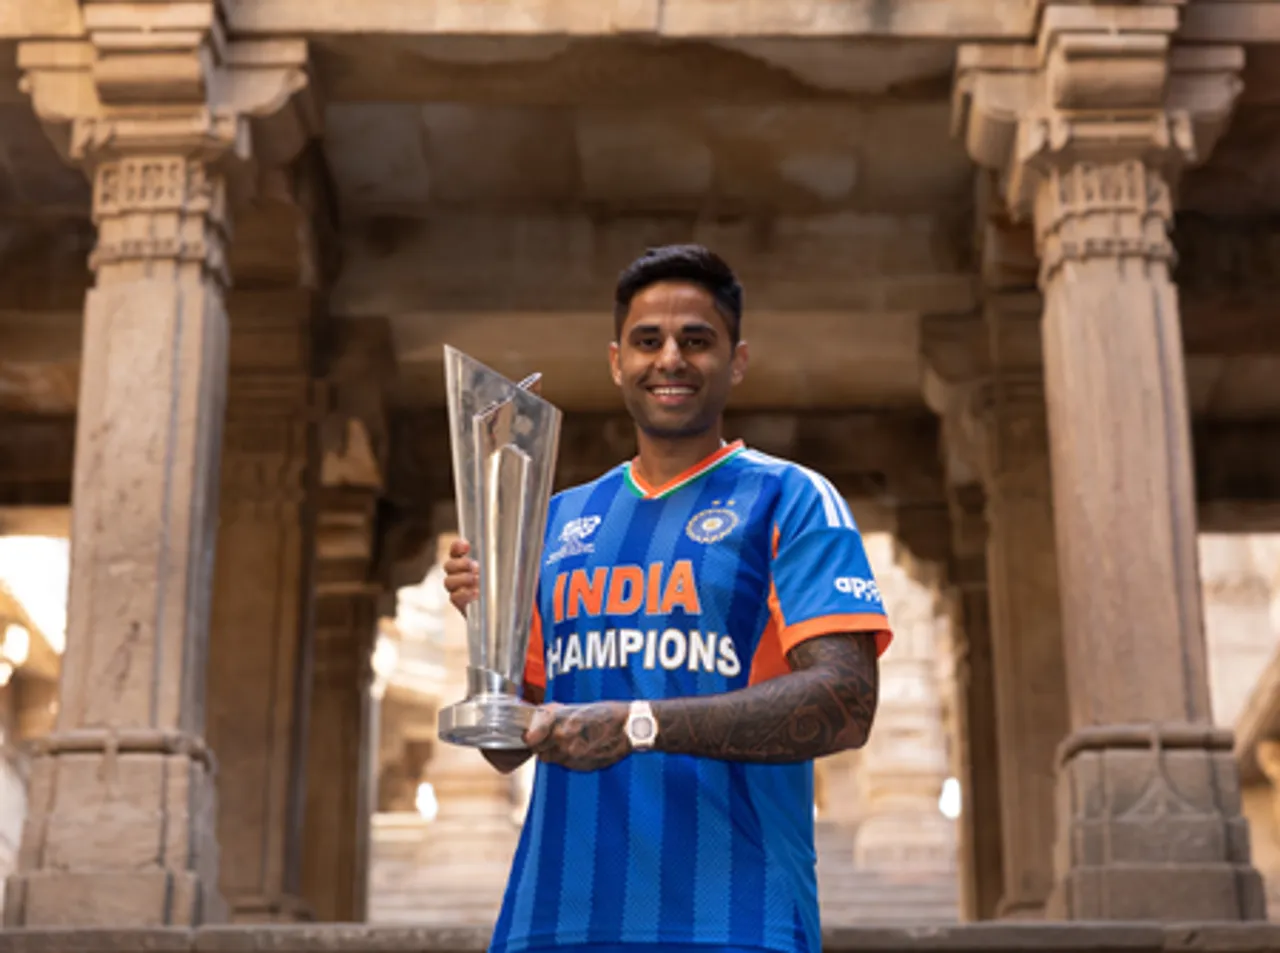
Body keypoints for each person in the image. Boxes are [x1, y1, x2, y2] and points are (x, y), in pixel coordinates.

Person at [443, 244, 892, 953]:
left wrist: (639, 724)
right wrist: (487, 628)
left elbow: (845, 702)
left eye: (697, 340)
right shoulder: (553, 520)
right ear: (617, 359)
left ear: (736, 361)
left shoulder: (792, 497)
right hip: (552, 919)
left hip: (738, 920)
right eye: (648, 341)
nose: (671, 359)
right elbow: (508, 748)